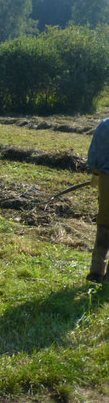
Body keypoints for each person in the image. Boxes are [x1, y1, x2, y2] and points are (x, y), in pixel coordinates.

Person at [87, 117, 109, 282]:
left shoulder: (104, 125)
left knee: (104, 225)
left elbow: (94, 165)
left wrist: (98, 176)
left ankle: (96, 272)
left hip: (105, 180)